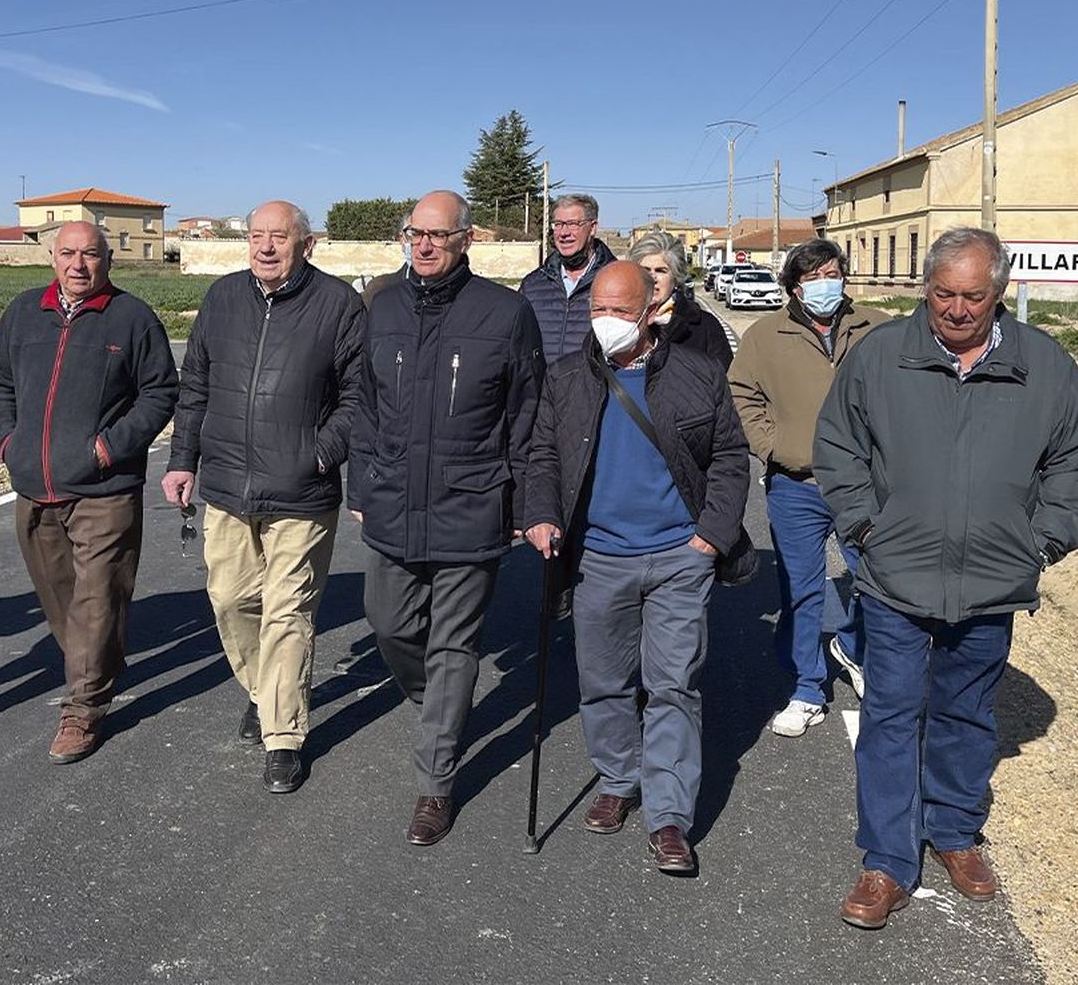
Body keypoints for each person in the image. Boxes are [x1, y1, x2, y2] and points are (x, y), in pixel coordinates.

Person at [813, 226, 1078, 929]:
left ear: (999, 292)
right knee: (890, 715)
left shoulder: (1044, 364)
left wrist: (1042, 541)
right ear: (926, 289)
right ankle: (886, 860)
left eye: (974, 295)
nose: (957, 309)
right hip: (895, 577)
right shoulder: (881, 356)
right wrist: (864, 528)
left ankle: (953, 832)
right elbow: (838, 445)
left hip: (992, 580)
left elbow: (1077, 458)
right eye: (943, 293)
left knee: (967, 714)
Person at [524, 260, 748, 873]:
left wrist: (711, 537)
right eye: (597, 309)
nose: (606, 323)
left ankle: (669, 817)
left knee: (674, 685)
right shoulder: (568, 377)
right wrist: (541, 513)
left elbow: (730, 456)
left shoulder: (698, 374)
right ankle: (618, 780)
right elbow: (542, 453)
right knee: (604, 681)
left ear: (651, 311)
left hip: (680, 556)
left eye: (620, 312)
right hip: (598, 558)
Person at [348, 189, 544, 846]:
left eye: (438, 234)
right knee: (389, 621)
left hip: (471, 502)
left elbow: (527, 416)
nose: (424, 244)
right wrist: (361, 480)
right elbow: (364, 406)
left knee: (455, 644)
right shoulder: (382, 307)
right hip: (393, 501)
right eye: (414, 233)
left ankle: (435, 782)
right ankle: (437, 704)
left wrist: (529, 503)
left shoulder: (506, 313)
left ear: (466, 240)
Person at [163, 200, 363, 794]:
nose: (266, 246)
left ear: (306, 245)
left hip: (302, 490)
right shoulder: (223, 299)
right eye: (257, 236)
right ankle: (264, 690)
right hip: (226, 485)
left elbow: (360, 396)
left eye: (279, 237)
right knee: (229, 601)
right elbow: (194, 386)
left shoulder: (337, 305)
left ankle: (284, 735)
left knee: (287, 612)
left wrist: (321, 453)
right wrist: (182, 460)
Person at [0, 221, 178, 765]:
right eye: (67, 253)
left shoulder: (131, 318)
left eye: (89, 254)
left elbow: (160, 391)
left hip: (104, 488)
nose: (77, 264)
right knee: (62, 597)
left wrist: (108, 449)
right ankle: (97, 662)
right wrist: (5, 441)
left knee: (97, 596)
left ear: (107, 260)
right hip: (33, 485)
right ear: (52, 257)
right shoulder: (24, 313)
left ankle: (83, 707)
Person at [728, 239, 890, 736]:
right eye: (814, 275)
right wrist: (772, 445)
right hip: (794, 485)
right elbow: (741, 392)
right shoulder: (764, 335)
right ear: (794, 286)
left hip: (864, 484)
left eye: (833, 272)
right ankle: (807, 688)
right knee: (801, 592)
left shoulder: (878, 326)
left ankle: (855, 648)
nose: (826, 282)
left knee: (879, 580)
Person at [519, 194, 617, 360]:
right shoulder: (532, 285)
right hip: (543, 385)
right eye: (558, 224)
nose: (563, 233)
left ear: (593, 228)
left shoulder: (615, 282)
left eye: (573, 224)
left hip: (593, 384)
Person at [627, 229, 734, 372]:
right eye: (645, 270)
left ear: (676, 277)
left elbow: (723, 382)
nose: (652, 279)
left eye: (661, 271)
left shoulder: (705, 327)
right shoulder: (618, 321)